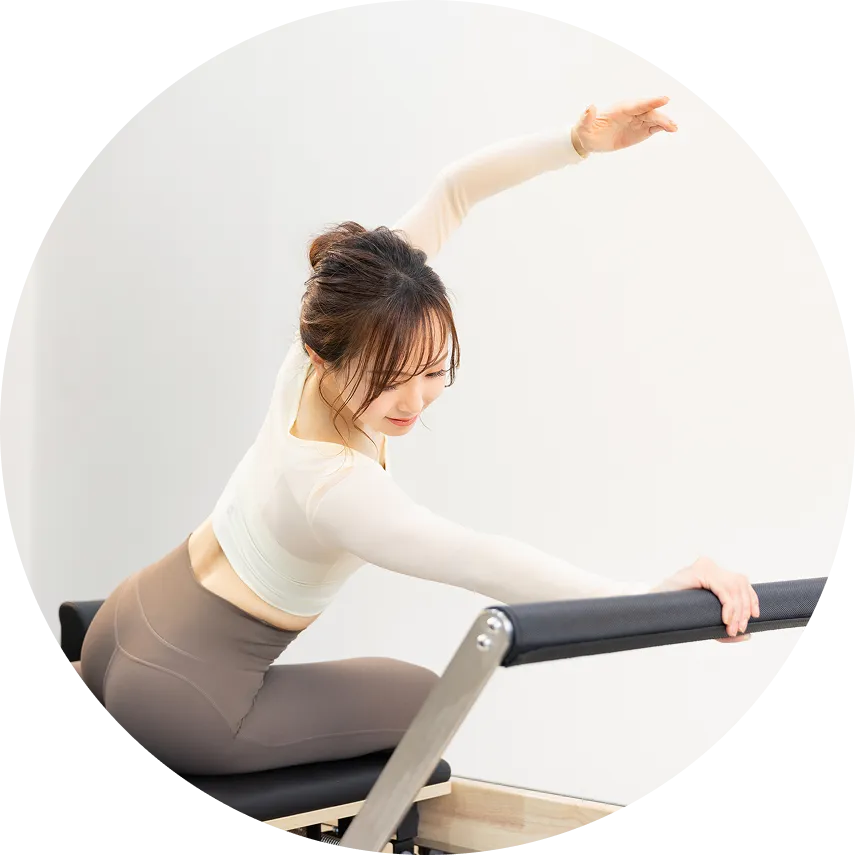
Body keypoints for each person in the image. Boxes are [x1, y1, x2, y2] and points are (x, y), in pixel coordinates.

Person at [79, 95, 760, 777]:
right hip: (180, 702)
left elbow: (455, 189)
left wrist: (576, 141)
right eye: (389, 380)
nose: (412, 401)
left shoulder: (335, 326)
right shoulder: (333, 490)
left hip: (122, 619)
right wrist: (656, 601)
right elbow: (484, 561)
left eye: (432, 371)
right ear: (323, 355)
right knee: (430, 699)